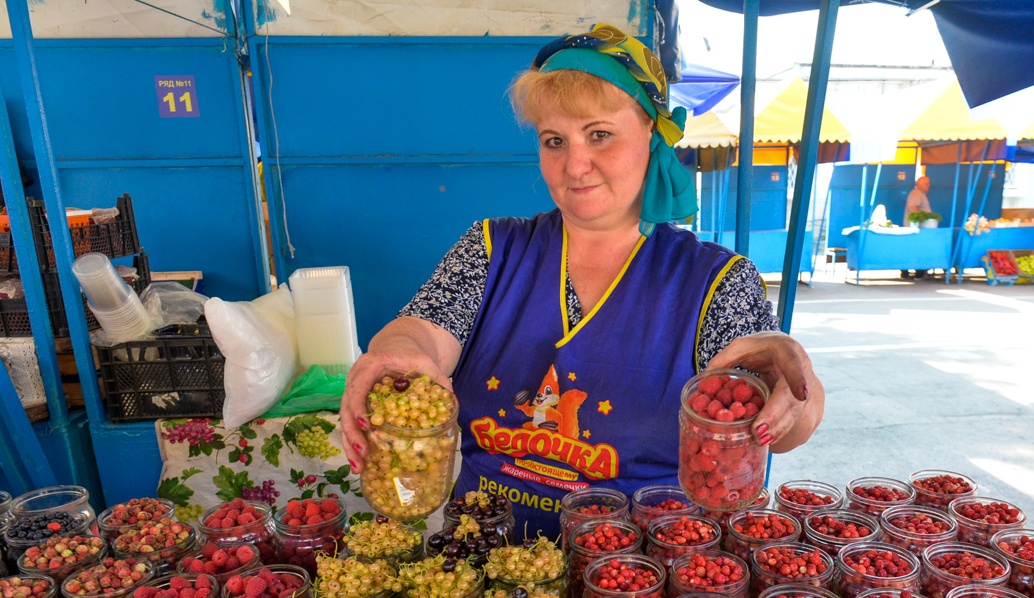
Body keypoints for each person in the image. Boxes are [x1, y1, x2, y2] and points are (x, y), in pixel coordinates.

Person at [339, 23, 824, 539]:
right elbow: (423, 334)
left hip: (637, 577)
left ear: (653, 136)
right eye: (554, 141)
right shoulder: (490, 249)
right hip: (485, 560)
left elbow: (785, 410)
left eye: (599, 134)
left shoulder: (715, 281)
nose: (575, 164)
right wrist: (392, 351)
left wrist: (797, 394)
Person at [902, 175, 933, 279]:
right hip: (916, 228)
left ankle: (908, 271)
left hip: (918, 228)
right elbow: (912, 207)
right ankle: (918, 272)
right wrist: (921, 219)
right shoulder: (916, 193)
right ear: (918, 184)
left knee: (913, 248)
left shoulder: (920, 194)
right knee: (917, 249)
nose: (929, 185)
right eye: (926, 183)